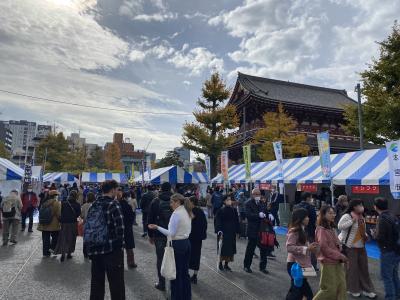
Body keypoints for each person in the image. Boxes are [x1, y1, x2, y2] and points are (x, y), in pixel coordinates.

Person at [148, 193, 193, 300]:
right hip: (186, 243)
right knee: (184, 273)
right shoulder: (186, 211)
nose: (170, 204)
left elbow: (171, 233)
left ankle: (176, 297)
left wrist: (157, 227)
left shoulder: (176, 214)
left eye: (172, 202)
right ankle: (186, 296)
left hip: (177, 244)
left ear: (177, 202)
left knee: (176, 274)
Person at [86, 180, 125, 300]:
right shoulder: (114, 204)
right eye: (117, 189)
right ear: (112, 190)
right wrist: (120, 247)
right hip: (112, 251)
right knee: (116, 285)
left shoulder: (94, 205)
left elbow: (88, 228)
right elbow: (120, 229)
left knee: (96, 284)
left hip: (95, 250)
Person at [338, 199, 376, 298]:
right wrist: (351, 221)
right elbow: (340, 226)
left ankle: (366, 289)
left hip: (361, 246)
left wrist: (366, 235)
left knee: (364, 268)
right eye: (359, 205)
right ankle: (352, 289)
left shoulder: (361, 216)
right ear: (354, 206)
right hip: (350, 247)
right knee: (352, 269)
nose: (361, 207)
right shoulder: (347, 216)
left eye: (361, 204)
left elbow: (361, 230)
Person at [313, 206, 348, 300]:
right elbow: (325, 248)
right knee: (329, 289)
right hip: (328, 262)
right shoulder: (321, 230)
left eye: (334, 213)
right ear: (323, 215)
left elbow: (336, 243)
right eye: (330, 213)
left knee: (342, 287)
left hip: (337, 261)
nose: (333, 215)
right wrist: (340, 255)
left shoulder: (331, 228)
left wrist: (340, 246)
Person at [286, 208, 318, 300]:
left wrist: (310, 247)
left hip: (299, 263)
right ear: (300, 218)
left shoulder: (302, 229)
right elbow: (289, 247)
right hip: (295, 265)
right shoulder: (295, 231)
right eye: (306, 217)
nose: (308, 218)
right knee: (303, 293)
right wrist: (307, 248)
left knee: (296, 290)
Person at [147, 182, 173, 292]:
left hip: (159, 234)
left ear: (161, 189)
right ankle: (174, 283)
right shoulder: (175, 200)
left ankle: (162, 283)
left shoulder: (156, 201)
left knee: (160, 259)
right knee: (173, 258)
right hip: (173, 234)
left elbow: (150, 219)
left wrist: (150, 235)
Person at [374, 197, 400, 300]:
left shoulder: (382, 218)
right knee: (394, 274)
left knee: (387, 277)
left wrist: (374, 234)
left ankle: (390, 297)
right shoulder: (392, 216)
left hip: (388, 250)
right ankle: (397, 294)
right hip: (396, 249)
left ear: (375, 207)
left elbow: (381, 237)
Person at [243, 188, 270, 274]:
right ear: (252, 195)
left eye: (259, 194)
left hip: (262, 230)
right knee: (250, 249)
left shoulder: (262, 203)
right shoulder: (248, 203)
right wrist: (258, 215)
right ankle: (246, 266)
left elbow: (266, 212)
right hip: (252, 230)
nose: (257, 196)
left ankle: (262, 267)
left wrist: (269, 215)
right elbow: (248, 215)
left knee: (263, 249)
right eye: (256, 194)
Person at [55, 190, 81, 262]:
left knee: (64, 238)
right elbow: (79, 214)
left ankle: (63, 254)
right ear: (76, 196)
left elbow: (60, 212)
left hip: (64, 223)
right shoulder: (77, 204)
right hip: (72, 223)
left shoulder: (64, 203)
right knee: (71, 238)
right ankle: (69, 253)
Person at [215, 194, 240, 271]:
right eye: (227, 200)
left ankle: (226, 264)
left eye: (230, 199)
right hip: (223, 232)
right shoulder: (220, 210)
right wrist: (219, 230)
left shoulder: (234, 210)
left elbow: (236, 221)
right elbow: (217, 221)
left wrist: (238, 231)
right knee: (222, 248)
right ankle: (220, 264)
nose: (229, 201)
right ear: (224, 201)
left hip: (231, 232)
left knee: (230, 249)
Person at [294, 192, 318, 270]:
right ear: (308, 198)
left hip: (298, 229)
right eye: (311, 197)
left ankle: (299, 264)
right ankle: (313, 265)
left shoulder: (296, 206)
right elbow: (314, 219)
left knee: (299, 246)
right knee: (312, 247)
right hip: (310, 230)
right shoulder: (311, 207)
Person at [188, 195, 207, 283]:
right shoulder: (201, 211)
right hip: (198, 238)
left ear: (192, 203)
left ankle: (187, 274)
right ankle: (195, 275)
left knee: (188, 255)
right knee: (196, 255)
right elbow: (205, 224)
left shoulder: (191, 211)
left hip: (191, 237)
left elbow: (190, 220)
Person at [37, 190, 61, 257]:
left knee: (45, 239)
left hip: (44, 223)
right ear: (55, 196)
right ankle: (52, 248)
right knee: (56, 237)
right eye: (57, 195)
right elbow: (59, 214)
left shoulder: (44, 202)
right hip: (54, 224)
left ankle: (45, 253)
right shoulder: (56, 203)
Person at [118, 189, 137, 269]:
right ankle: (131, 263)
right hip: (128, 228)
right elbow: (132, 217)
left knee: (119, 247)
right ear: (126, 197)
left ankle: (119, 263)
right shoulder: (128, 206)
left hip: (119, 228)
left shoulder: (118, 205)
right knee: (129, 247)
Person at [81, 192, 95, 258]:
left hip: (86, 224)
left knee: (85, 239)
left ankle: (85, 253)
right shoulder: (95, 205)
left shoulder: (84, 205)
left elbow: (82, 216)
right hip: (94, 224)